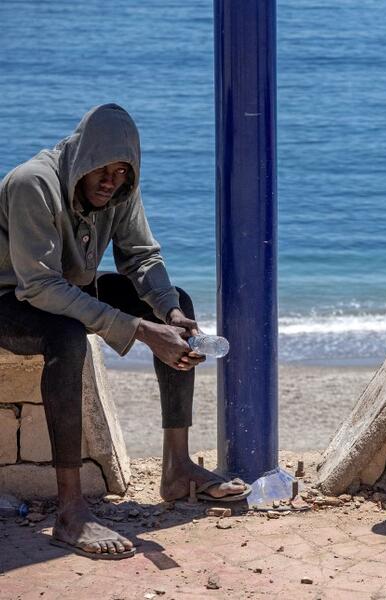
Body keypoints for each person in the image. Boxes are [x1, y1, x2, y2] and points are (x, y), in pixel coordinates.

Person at [0, 104, 250, 560]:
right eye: (102, 168)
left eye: (121, 171)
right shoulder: (31, 184)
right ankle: (70, 511)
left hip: (65, 288)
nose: (110, 180)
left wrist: (168, 313)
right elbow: (38, 286)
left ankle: (176, 469)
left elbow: (140, 257)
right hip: (11, 297)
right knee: (66, 338)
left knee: (178, 301)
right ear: (81, 159)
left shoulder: (121, 190)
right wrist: (138, 329)